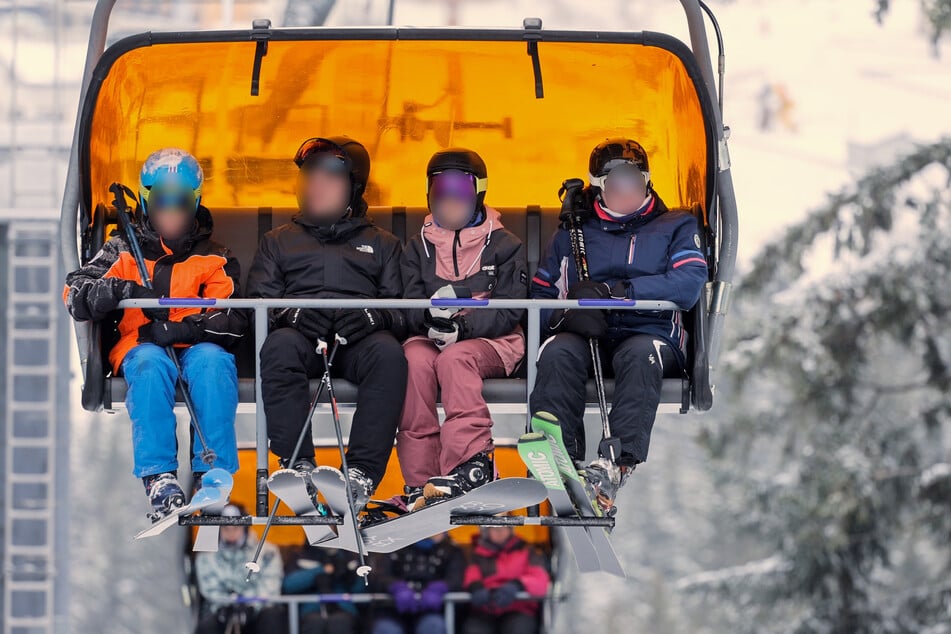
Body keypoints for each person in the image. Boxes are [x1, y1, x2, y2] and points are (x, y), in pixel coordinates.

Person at [63, 148, 244, 521]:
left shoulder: (214, 257)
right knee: (148, 366)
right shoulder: (122, 250)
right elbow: (76, 293)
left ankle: (212, 471)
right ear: (147, 201)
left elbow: (229, 316)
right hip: (140, 342)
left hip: (196, 343)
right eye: (162, 201)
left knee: (213, 364)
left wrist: (179, 328)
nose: (172, 212)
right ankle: (159, 475)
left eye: (182, 202)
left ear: (196, 202)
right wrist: (124, 291)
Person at [529, 138, 708, 513]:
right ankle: (562, 456)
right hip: (588, 334)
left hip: (650, 332)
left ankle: (616, 464)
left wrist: (618, 292)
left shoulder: (675, 225)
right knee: (559, 351)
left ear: (646, 181)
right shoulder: (575, 232)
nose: (626, 191)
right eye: (616, 183)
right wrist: (567, 315)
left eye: (634, 180)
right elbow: (541, 296)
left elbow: (688, 283)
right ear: (599, 187)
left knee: (640, 354)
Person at [247, 136, 407, 510]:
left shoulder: (382, 244)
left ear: (353, 187)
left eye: (329, 177)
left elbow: (404, 311)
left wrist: (374, 316)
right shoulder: (279, 242)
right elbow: (257, 304)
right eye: (310, 176)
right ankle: (298, 463)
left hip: (357, 343)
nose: (316, 185)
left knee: (389, 354)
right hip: (303, 342)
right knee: (279, 346)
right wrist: (293, 314)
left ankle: (362, 472)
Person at [398, 148, 527, 509]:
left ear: (479, 193)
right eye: (441, 189)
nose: (450, 199)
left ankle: (471, 464)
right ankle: (421, 481)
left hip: (494, 342)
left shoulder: (503, 245)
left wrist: (463, 328)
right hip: (432, 339)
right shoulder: (417, 248)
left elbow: (509, 307)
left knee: (455, 360)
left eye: (461, 189)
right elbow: (408, 302)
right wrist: (431, 322)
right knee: (413, 361)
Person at [194, 504, 286, 634]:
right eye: (226, 528)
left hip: (258, 611)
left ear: (245, 527)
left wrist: (250, 605)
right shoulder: (206, 556)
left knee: (272, 618)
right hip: (222, 612)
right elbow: (209, 589)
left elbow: (271, 586)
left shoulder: (267, 552)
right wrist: (226, 606)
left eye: (236, 527)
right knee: (206, 626)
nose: (231, 532)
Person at [369, 532, 466, 634]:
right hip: (393, 610)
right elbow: (378, 576)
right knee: (386, 630)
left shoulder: (451, 550)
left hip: (433, 612)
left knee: (433, 627)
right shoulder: (391, 546)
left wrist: (441, 587)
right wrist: (395, 586)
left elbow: (456, 579)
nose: (429, 533)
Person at [461, 526, 549, 634]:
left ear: (511, 529)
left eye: (504, 527)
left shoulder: (528, 550)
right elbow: (471, 575)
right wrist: (475, 587)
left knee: (520, 628)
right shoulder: (476, 554)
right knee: (473, 629)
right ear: (487, 531)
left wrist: (518, 585)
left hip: (519, 610)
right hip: (485, 611)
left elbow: (540, 580)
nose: (500, 532)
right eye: (494, 528)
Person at [282, 539, 366, 634]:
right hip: (311, 609)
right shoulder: (301, 554)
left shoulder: (350, 555)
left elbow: (362, 589)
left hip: (343, 608)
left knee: (340, 622)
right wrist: (320, 570)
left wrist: (349, 574)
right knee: (314, 623)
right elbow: (288, 585)